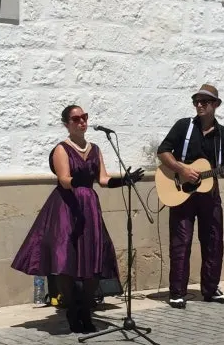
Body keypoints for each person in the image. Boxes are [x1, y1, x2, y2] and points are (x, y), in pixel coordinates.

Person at [11, 104, 142, 332]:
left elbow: (102, 178)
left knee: (93, 257)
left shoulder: (95, 149)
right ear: (66, 124)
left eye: (84, 117)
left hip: (89, 205)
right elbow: (64, 180)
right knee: (65, 258)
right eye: (76, 119)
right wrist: (77, 180)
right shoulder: (62, 149)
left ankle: (84, 310)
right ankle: (72, 310)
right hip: (67, 205)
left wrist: (123, 180)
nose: (82, 122)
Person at [157, 84, 224, 309]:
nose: (199, 105)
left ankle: (211, 289)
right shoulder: (184, 126)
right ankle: (177, 292)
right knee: (181, 242)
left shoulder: (223, 135)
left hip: (209, 194)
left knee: (214, 240)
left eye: (204, 101)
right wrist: (182, 170)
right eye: (196, 101)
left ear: (216, 105)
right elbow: (163, 151)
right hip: (181, 193)